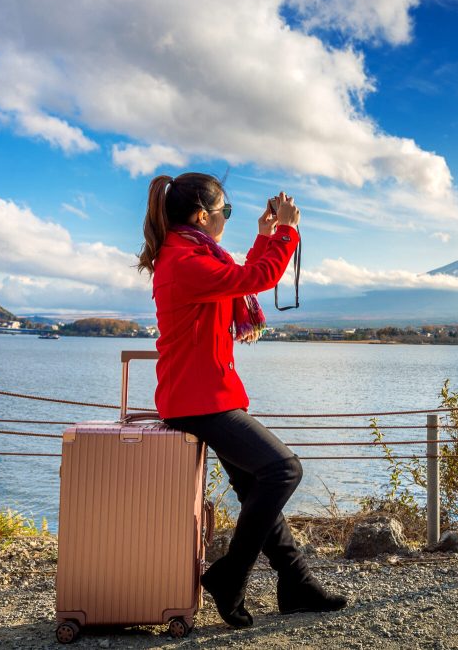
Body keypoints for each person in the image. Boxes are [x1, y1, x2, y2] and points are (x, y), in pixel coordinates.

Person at [137, 172, 347, 628]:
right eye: (224, 212)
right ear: (201, 216)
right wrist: (288, 231)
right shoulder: (187, 261)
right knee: (283, 469)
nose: (225, 220)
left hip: (202, 393)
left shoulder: (189, 253)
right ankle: (231, 575)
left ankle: (297, 584)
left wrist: (264, 235)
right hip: (201, 399)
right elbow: (257, 276)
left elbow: (237, 280)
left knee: (255, 488)